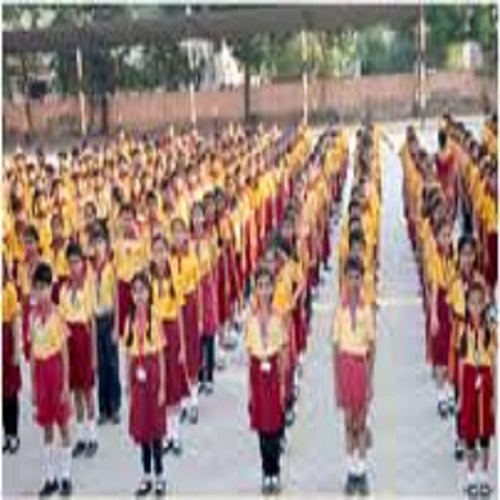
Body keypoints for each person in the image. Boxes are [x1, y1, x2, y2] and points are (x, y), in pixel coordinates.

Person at [333, 257, 376, 496]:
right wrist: (337, 382)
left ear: (362, 279)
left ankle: (362, 471)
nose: (353, 282)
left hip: (360, 367)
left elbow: (372, 347)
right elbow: (335, 347)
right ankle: (351, 472)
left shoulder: (366, 310)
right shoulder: (339, 311)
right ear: (344, 280)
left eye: (357, 277)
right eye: (349, 277)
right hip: (345, 367)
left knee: (361, 423)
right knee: (348, 424)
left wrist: (370, 381)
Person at [29, 263, 73, 497]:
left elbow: (65, 353)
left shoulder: (57, 315)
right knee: (46, 426)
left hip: (56, 371)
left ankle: (65, 476)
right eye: (37, 288)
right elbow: (33, 352)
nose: (41, 292)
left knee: (63, 425)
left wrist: (65, 383)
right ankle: (50, 478)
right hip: (41, 373)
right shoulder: (32, 317)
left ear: (51, 288)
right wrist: (33, 386)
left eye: (44, 287)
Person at [124, 272, 167, 497]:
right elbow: (128, 354)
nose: (139, 295)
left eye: (142, 290)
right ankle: (146, 475)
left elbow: (160, 355)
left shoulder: (155, 317)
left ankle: (160, 475)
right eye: (135, 291)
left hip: (152, 373)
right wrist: (128, 383)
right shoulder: (129, 320)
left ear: (149, 293)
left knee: (155, 428)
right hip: (137, 374)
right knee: (142, 429)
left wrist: (162, 387)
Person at [245, 266, 287, 495]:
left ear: (272, 289)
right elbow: (249, 355)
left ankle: (275, 470)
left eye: (267, 286)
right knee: (262, 427)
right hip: (257, 372)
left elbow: (282, 353)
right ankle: (266, 472)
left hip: (273, 374)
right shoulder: (250, 319)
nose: (263, 290)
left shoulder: (278, 317)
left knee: (275, 427)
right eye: (260, 286)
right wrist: (249, 390)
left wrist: (282, 384)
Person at [455, 281, 496, 497]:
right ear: (467, 304)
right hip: (470, 377)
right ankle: (471, 475)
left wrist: (494, 395)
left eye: (480, 303)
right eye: (472, 302)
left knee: (485, 432)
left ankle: (484, 475)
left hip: (485, 377)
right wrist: (461, 395)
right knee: (470, 431)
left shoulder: (490, 329)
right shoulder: (463, 329)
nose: (476, 307)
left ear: (485, 304)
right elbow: (461, 363)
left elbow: (494, 362)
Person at [59, 242, 98, 458]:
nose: (74, 266)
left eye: (77, 262)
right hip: (70, 339)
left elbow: (91, 321)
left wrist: (94, 355)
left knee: (87, 391)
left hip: (83, 336)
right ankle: (81, 437)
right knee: (75, 392)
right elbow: (62, 321)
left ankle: (92, 437)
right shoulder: (64, 289)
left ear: (83, 263)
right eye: (70, 262)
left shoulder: (88, 286)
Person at [150, 234, 188, 456]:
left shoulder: (175, 278)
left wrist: (182, 344)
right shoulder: (148, 279)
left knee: (173, 382)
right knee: (160, 383)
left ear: (167, 252)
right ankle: (164, 434)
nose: (160, 255)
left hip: (172, 332)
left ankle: (175, 434)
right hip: (156, 332)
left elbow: (180, 314)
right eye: (156, 251)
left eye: (163, 250)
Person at [90, 226, 121, 425]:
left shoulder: (111, 269)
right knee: (100, 365)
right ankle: (103, 409)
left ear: (106, 245)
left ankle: (115, 407)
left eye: (101, 242)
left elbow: (116, 299)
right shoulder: (90, 270)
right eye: (95, 243)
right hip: (96, 319)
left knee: (112, 364)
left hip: (109, 318)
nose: (98, 247)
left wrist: (117, 326)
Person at [2, 259, 22, 455]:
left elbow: (15, 321)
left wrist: (17, 350)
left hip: (6, 342)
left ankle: (13, 433)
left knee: (10, 392)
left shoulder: (9, 290)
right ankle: (5, 435)